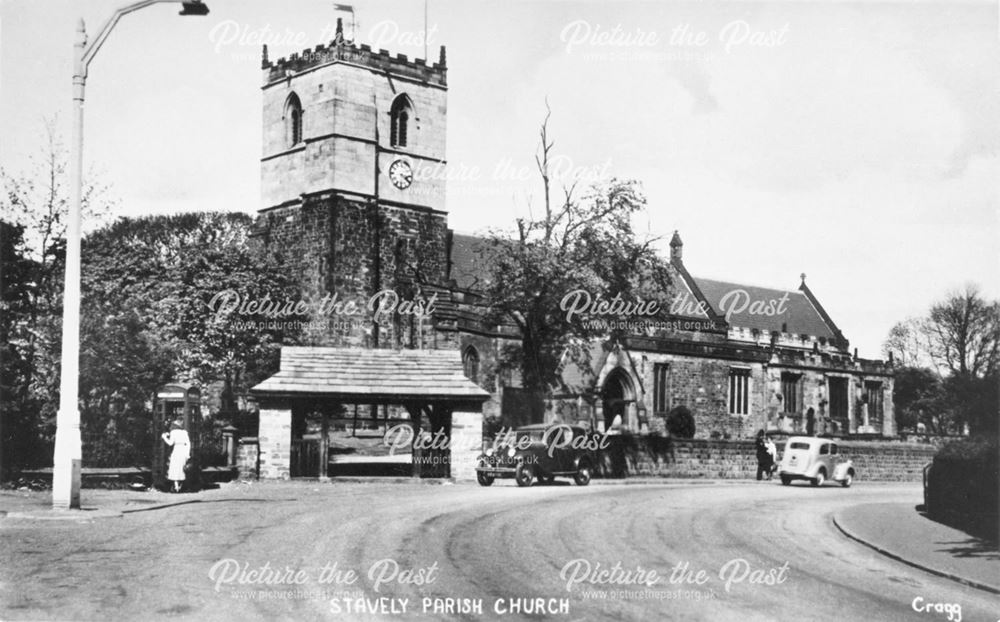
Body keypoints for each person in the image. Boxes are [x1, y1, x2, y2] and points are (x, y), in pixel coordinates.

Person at [161, 418, 190, 493]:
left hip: (176, 450)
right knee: (182, 469)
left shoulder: (173, 432)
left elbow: (170, 443)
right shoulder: (185, 432)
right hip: (183, 450)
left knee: (174, 469)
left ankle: (176, 487)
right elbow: (188, 443)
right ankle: (181, 486)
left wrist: (164, 437)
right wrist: (188, 454)